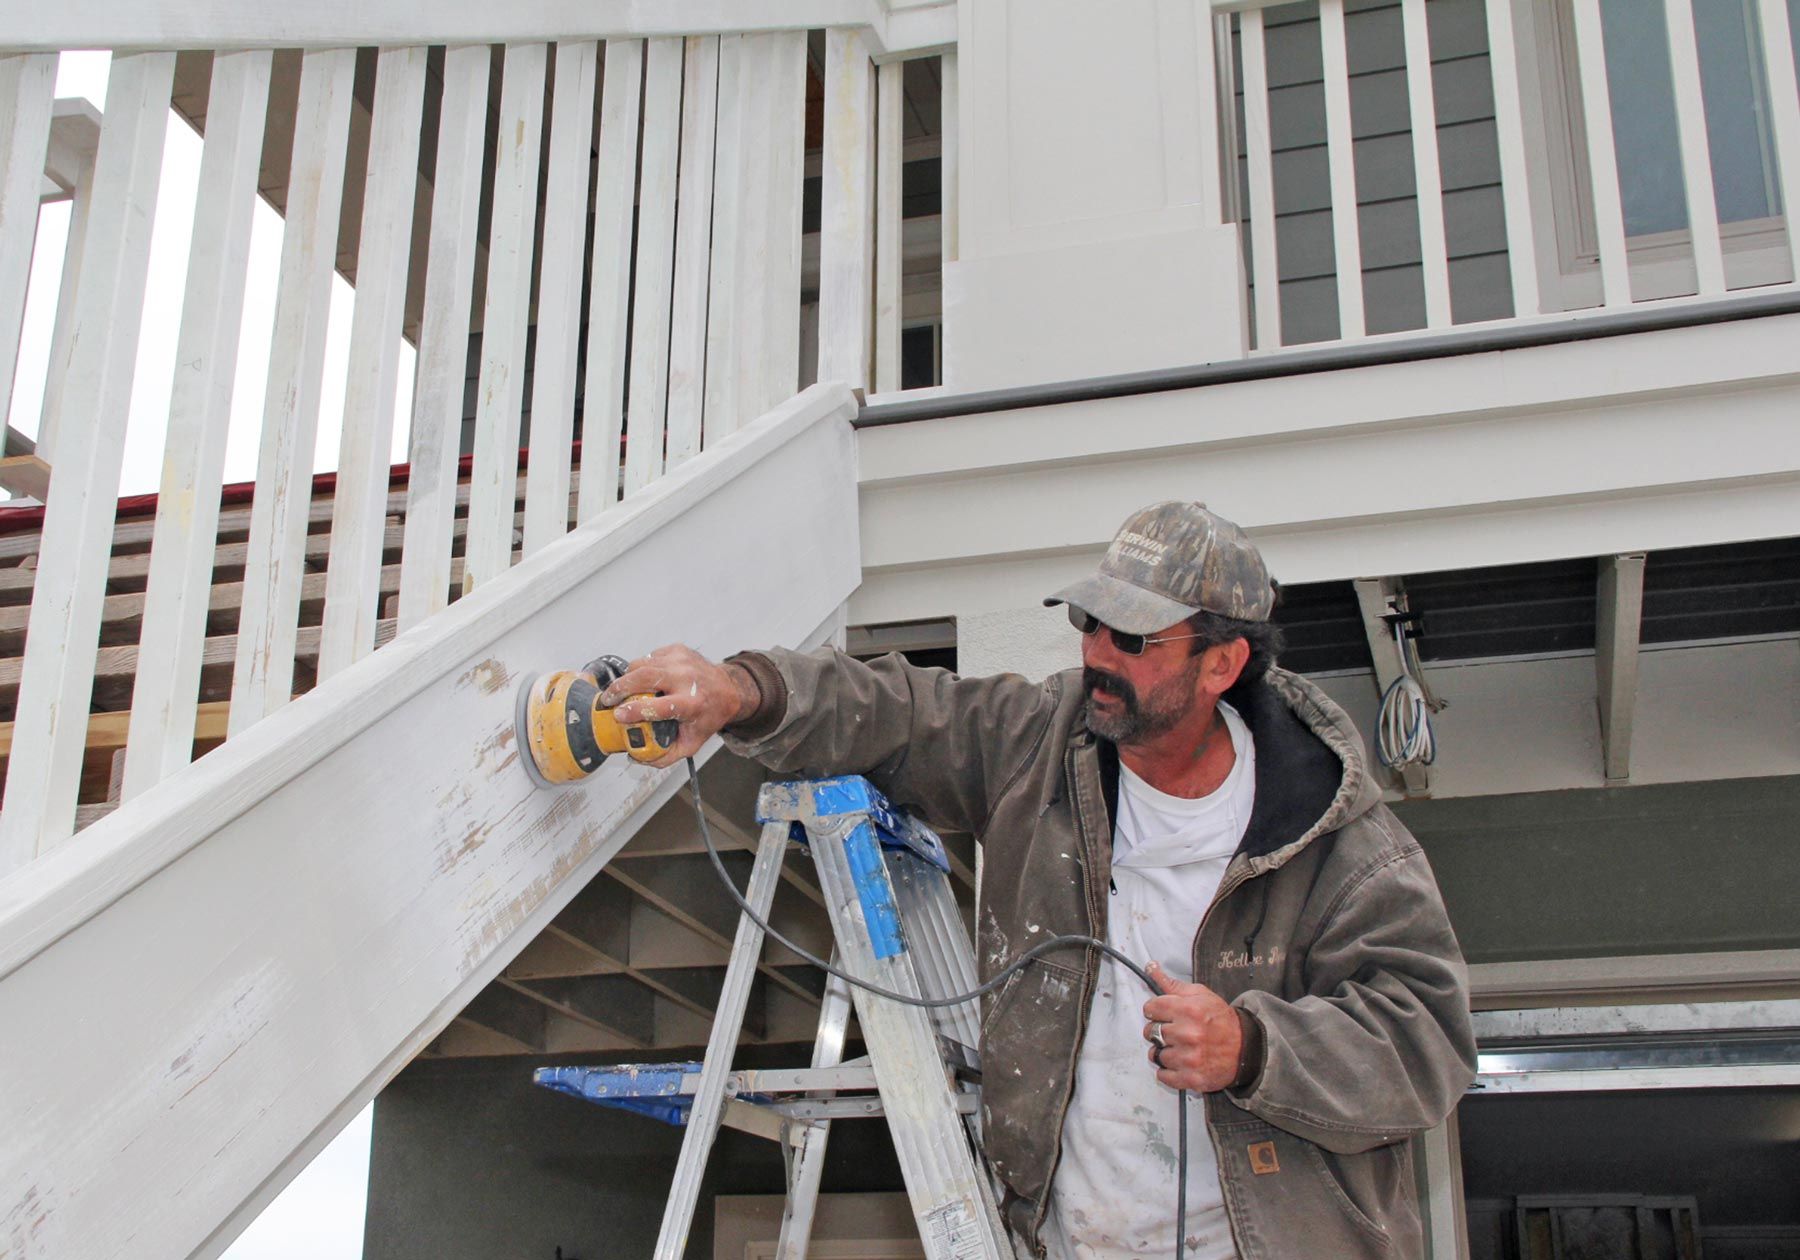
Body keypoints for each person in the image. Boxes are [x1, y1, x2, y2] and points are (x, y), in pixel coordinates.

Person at [602, 501, 1476, 1259]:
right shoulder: (1039, 747)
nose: (1098, 652)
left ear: (1221, 664)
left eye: (1132, 638)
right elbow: (901, 713)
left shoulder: (1341, 843)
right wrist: (743, 691)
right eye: (1089, 622)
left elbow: (1428, 1043)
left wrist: (1253, 1051)